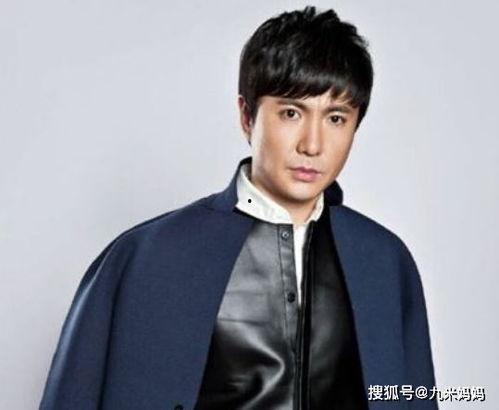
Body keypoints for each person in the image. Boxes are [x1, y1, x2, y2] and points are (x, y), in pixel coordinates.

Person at [39, 6, 438, 410]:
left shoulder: (384, 261)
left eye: (336, 118)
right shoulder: (147, 256)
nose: (312, 145)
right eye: (291, 113)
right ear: (247, 116)